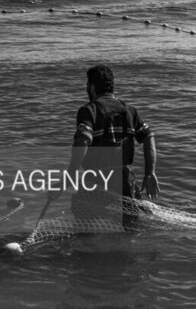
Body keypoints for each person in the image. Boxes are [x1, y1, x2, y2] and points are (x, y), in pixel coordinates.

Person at [48, 64, 160, 215]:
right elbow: (148, 136)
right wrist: (150, 172)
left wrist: (71, 175)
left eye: (88, 84)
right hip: (125, 182)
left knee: (87, 231)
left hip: (96, 181)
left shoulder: (89, 110)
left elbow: (83, 140)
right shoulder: (130, 111)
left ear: (92, 87)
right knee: (129, 231)